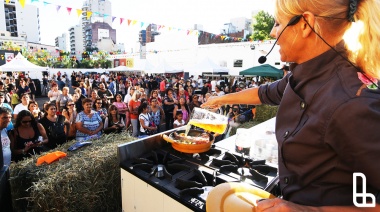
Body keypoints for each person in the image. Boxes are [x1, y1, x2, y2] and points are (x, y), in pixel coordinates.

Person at [202, 0, 380, 210]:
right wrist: (220, 100)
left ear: (305, 24)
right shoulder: (305, 75)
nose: (271, 33)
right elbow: (264, 93)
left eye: (278, 23)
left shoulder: (352, 103)